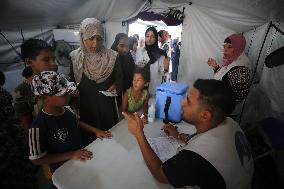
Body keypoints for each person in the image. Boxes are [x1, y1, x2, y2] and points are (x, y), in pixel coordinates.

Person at [123, 79, 254, 189]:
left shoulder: (196, 158)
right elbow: (202, 139)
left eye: (189, 101)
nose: (182, 102)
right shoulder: (229, 122)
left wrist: (139, 133)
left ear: (205, 115)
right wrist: (178, 136)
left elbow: (159, 174)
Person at [28, 71, 112, 174]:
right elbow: (36, 159)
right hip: (63, 170)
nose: (68, 95)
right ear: (44, 98)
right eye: (64, 94)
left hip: (80, 158)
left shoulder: (67, 109)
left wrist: (96, 131)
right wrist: (71, 155)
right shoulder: (38, 127)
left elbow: (76, 122)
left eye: (68, 92)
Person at [70, 18, 123, 145]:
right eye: (91, 38)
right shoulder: (75, 57)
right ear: (83, 37)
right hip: (86, 109)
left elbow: (120, 78)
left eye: (99, 39)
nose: (95, 43)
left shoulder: (112, 56)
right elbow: (71, 81)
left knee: (110, 140)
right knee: (91, 144)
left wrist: (116, 85)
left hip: (107, 108)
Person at [14, 39, 58, 129]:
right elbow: (26, 125)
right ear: (29, 62)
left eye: (54, 59)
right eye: (46, 60)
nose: (53, 64)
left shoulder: (58, 81)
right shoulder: (23, 90)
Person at [207, 33, 252, 103]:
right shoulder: (234, 59)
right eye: (224, 46)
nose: (225, 50)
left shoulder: (241, 70)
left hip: (229, 106)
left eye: (229, 47)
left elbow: (237, 96)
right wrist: (215, 66)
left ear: (238, 47)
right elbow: (225, 73)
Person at [135, 27, 169, 96]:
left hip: (152, 87)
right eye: (147, 36)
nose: (149, 39)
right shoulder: (140, 51)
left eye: (152, 36)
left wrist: (166, 68)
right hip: (140, 86)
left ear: (156, 38)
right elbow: (136, 67)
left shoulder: (160, 54)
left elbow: (163, 73)